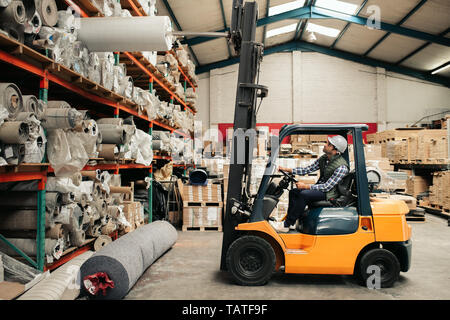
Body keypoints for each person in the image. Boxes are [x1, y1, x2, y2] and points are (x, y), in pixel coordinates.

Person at [270, 135, 350, 233]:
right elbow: (307, 169)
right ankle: (291, 223)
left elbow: (327, 187)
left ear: (334, 150)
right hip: (322, 188)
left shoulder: (341, 167)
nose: (325, 145)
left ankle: (286, 224)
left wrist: (306, 186)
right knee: (294, 192)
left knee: (304, 194)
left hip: (330, 193)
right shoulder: (324, 159)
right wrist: (286, 169)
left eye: (328, 144)